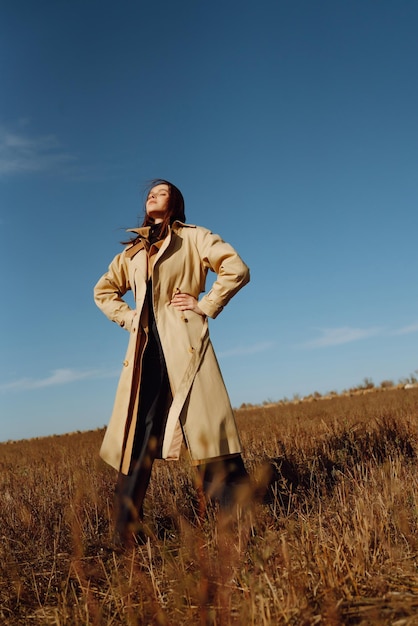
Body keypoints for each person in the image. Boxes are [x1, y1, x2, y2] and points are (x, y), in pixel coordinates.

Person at [94, 179, 250, 546]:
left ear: (175, 202)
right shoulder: (132, 253)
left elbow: (236, 269)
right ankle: (125, 536)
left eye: (161, 192)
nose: (152, 195)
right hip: (144, 354)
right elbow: (103, 291)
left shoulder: (194, 237)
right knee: (136, 439)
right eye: (150, 192)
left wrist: (206, 304)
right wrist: (129, 318)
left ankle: (239, 527)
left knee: (209, 432)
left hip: (185, 346)